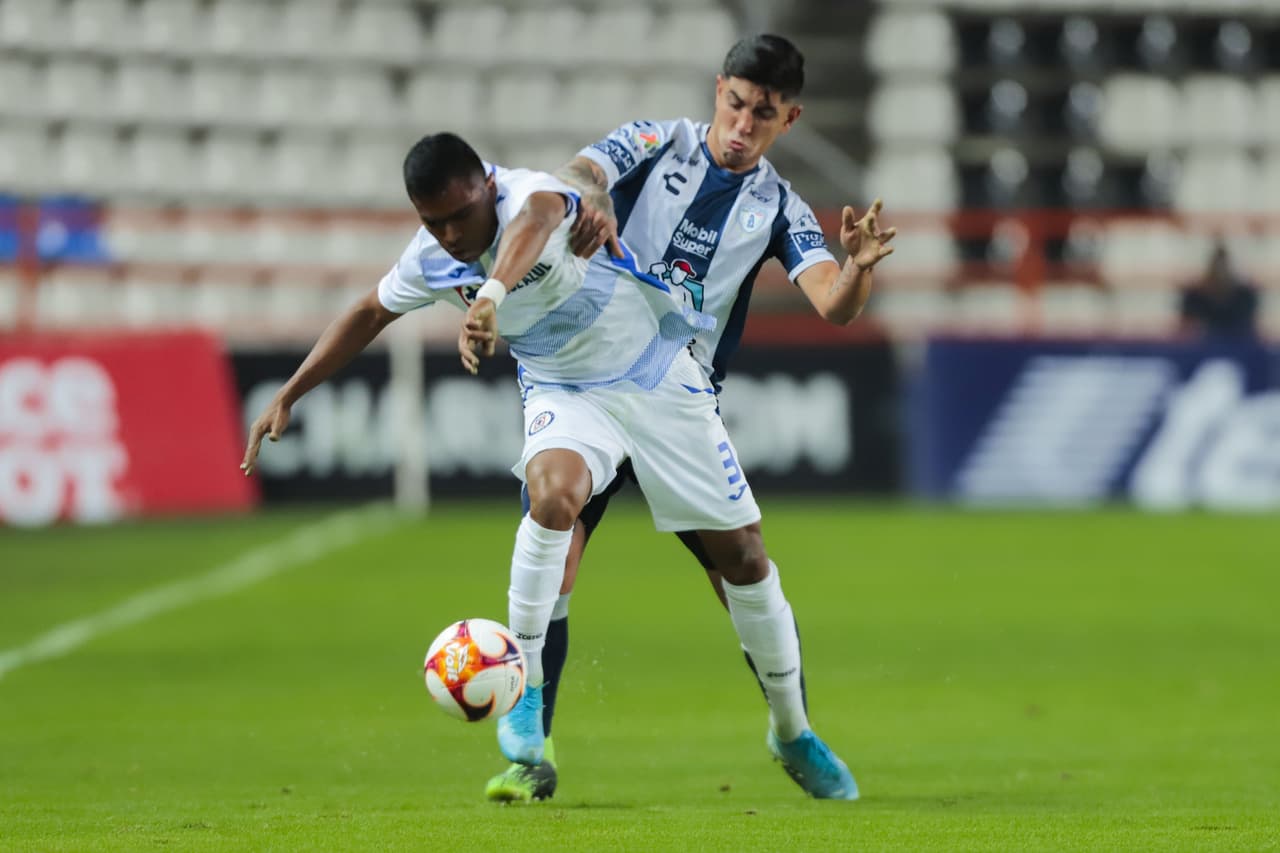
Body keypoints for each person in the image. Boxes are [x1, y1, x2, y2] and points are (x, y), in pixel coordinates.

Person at [240, 130, 867, 803]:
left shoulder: (532, 194)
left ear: (485, 183)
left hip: (656, 374)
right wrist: (290, 392)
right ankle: (526, 693)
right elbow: (369, 311)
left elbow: (541, 219)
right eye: (433, 222)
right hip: (566, 391)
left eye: (459, 214)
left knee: (743, 557)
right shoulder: (432, 257)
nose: (450, 234)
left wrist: (490, 298)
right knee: (552, 499)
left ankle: (792, 730)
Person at [481, 34, 897, 803]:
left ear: (789, 119)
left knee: (744, 561)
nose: (743, 125)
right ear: (718, 91)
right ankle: (528, 742)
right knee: (555, 516)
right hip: (586, 380)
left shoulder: (779, 207)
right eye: (734, 104)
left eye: (762, 114)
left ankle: (792, 730)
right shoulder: (655, 142)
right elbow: (579, 172)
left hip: (678, 395)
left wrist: (861, 270)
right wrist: (593, 192)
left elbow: (833, 304)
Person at [1178, 242, 1259, 339]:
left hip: (1236, 342)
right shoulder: (1195, 294)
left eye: (1223, 265)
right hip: (1202, 344)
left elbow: (1248, 326)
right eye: (1217, 265)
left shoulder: (1245, 294)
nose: (1220, 271)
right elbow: (1189, 326)